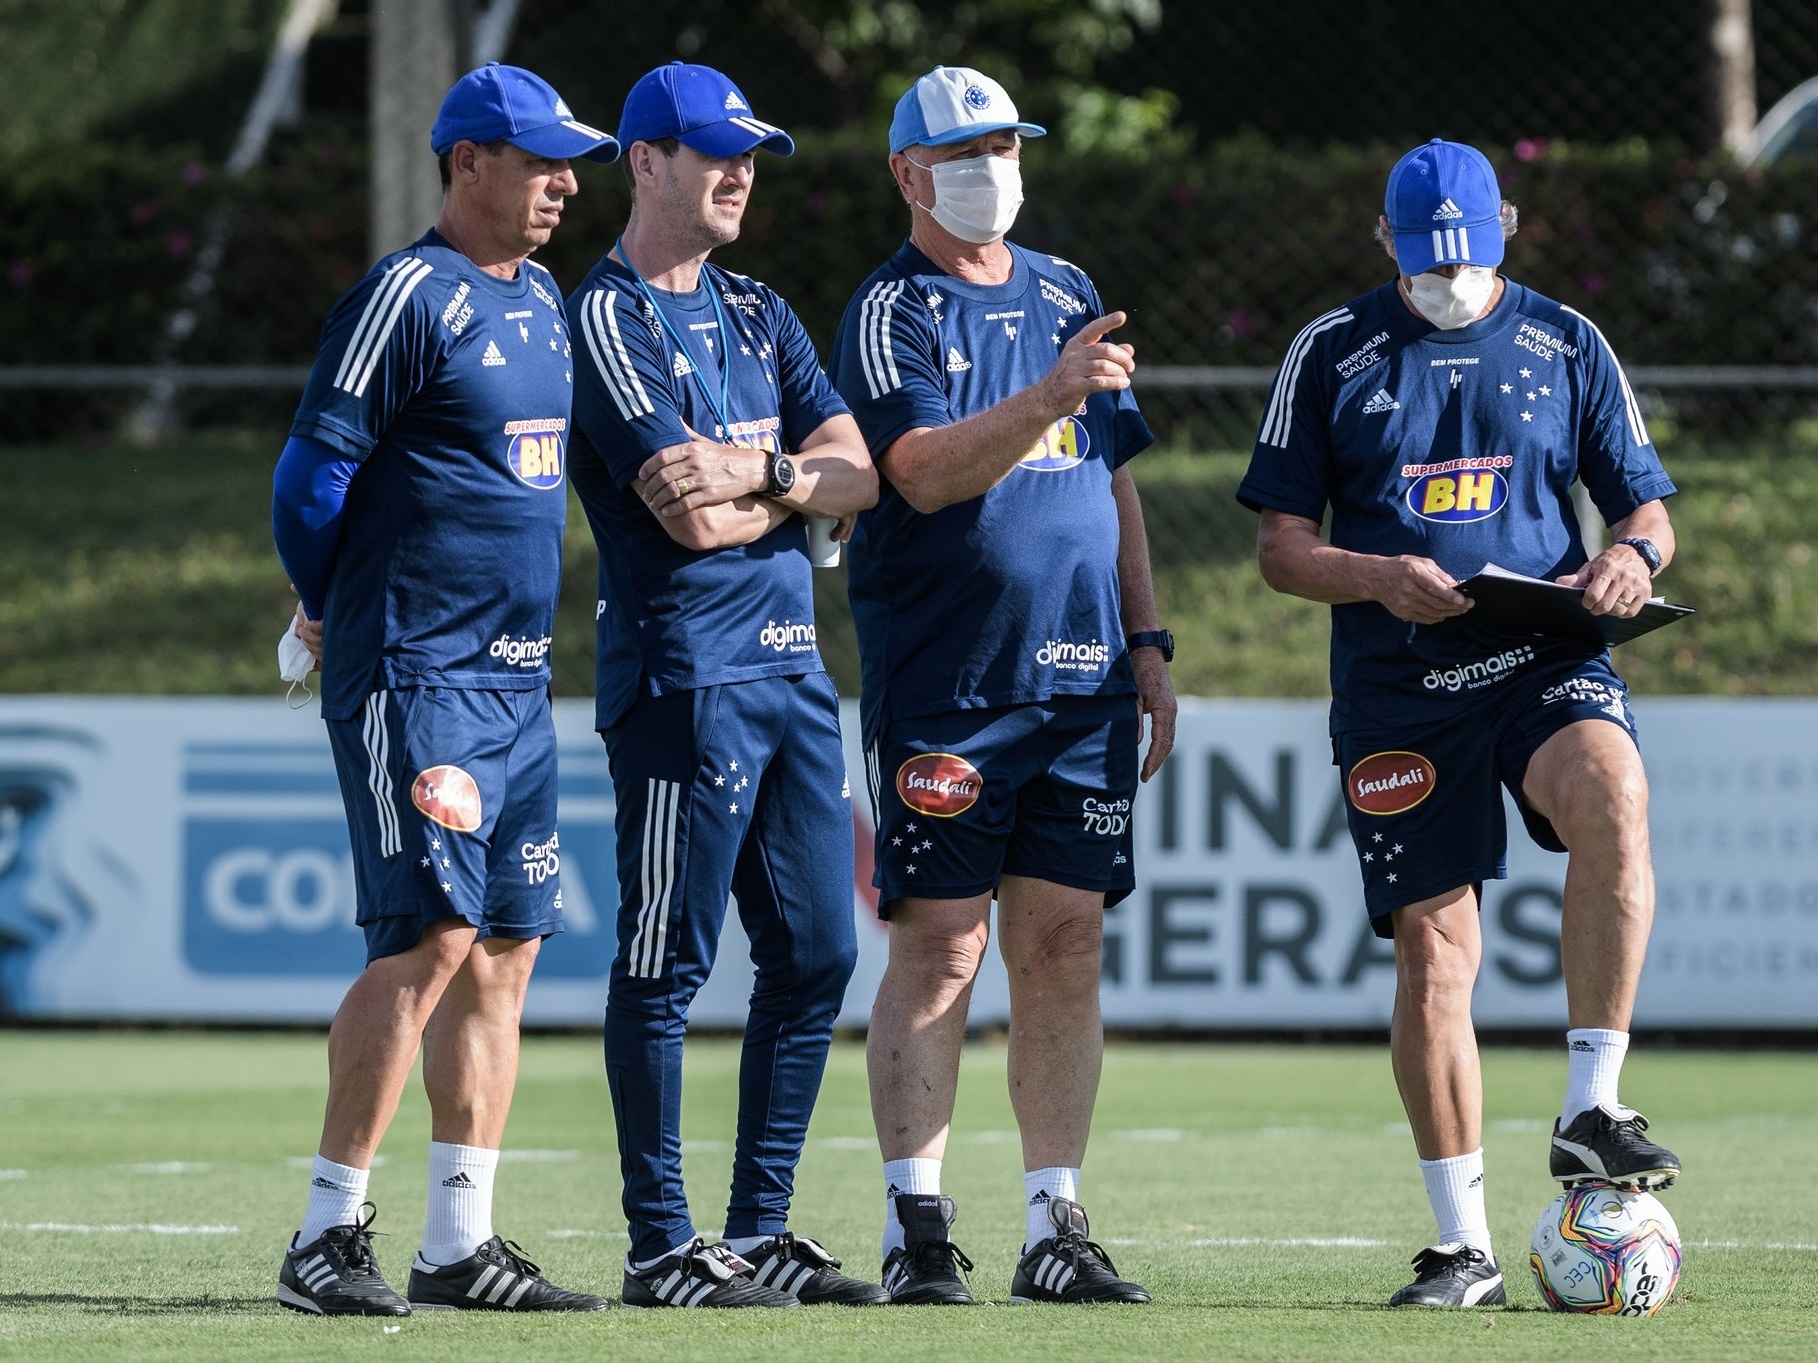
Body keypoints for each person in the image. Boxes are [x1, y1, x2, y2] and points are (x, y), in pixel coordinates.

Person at [1237, 138, 1682, 1309]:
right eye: (1426, 265)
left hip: (1541, 650)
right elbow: (1281, 551)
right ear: (1384, 243)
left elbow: (1643, 502)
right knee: (1436, 953)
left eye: (1468, 263)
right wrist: (1377, 574)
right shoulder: (1329, 352)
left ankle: (1593, 1104)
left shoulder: (1565, 339)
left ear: (1509, 231)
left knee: (1615, 795)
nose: (1449, 284)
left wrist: (1632, 556)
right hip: (1397, 687)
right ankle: (1462, 1246)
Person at [269, 63, 618, 1316]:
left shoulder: (545, 303)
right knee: (430, 937)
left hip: (519, 690)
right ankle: (326, 1235)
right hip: (414, 674)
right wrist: (328, 604)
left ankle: (457, 1243)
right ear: (467, 161)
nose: (565, 183)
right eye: (539, 161)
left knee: (504, 954)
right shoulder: (404, 295)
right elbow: (308, 485)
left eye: (569, 161)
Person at [828, 66, 1176, 1306]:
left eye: (1009, 145)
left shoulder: (1070, 291)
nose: (996, 169)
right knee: (941, 946)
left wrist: (1149, 641)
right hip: (951, 682)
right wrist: (1046, 394)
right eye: (968, 151)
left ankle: (1054, 1221)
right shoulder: (892, 309)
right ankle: (915, 1223)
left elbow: (1115, 476)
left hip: (1084, 681)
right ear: (909, 174)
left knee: (1065, 943)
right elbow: (917, 472)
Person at [564, 62, 883, 1309]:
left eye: (749, 151)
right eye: (713, 151)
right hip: (684, 675)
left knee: (816, 951)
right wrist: (790, 477)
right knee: (666, 960)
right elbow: (689, 525)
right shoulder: (606, 313)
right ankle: (660, 1248)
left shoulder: (758, 307)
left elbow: (858, 470)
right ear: (645, 161)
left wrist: (770, 477)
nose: (740, 171)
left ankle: (757, 1234)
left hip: (794, 672)